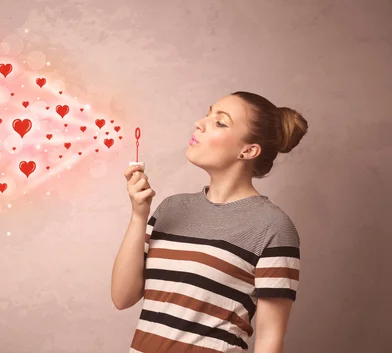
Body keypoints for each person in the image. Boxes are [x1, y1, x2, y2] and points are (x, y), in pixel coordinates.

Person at [111, 91, 308, 353]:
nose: (199, 123)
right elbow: (122, 298)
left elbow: (269, 341)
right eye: (207, 114)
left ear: (248, 150)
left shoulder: (272, 228)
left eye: (220, 122)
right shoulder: (172, 208)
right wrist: (138, 215)